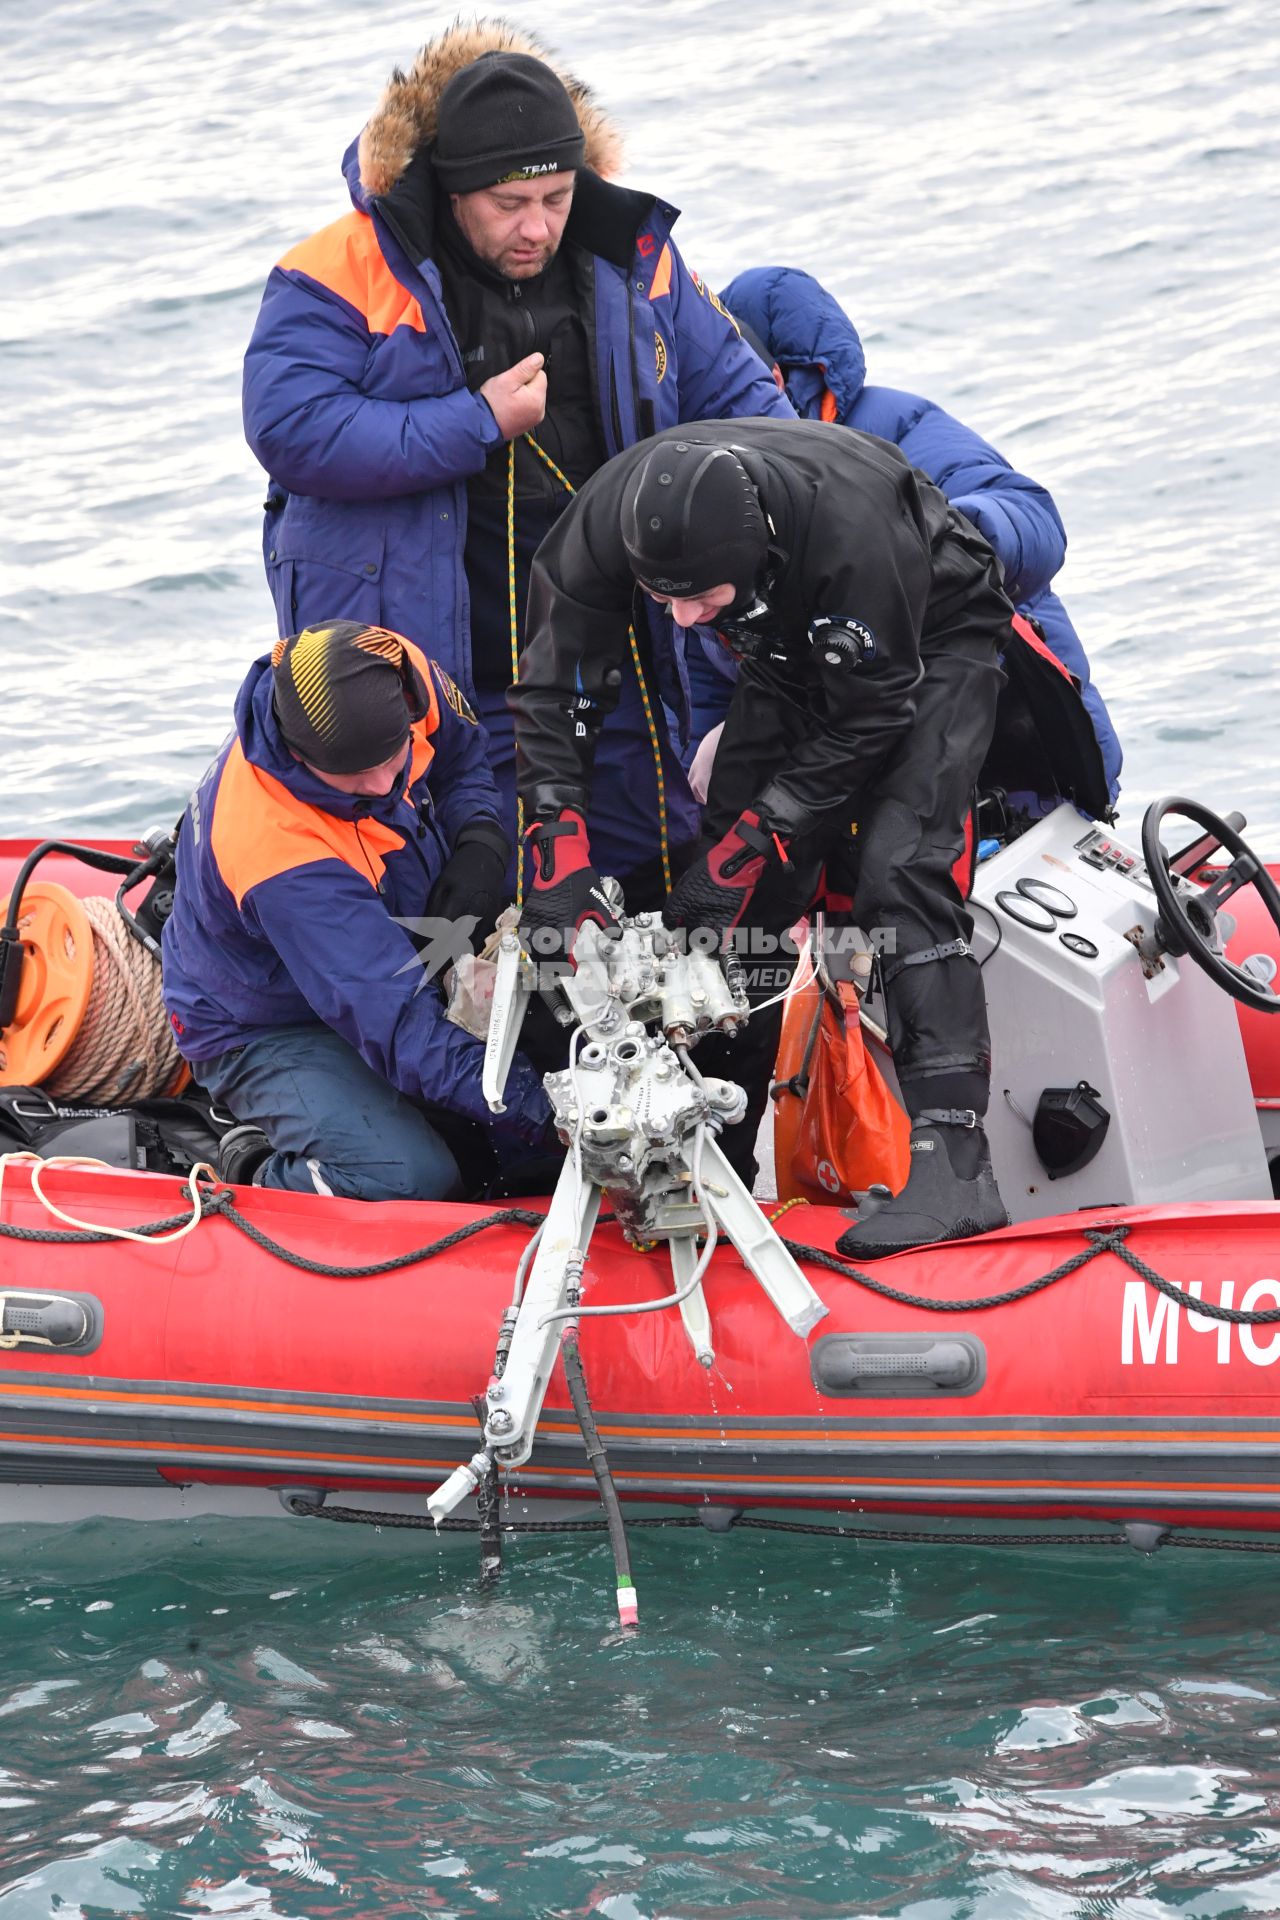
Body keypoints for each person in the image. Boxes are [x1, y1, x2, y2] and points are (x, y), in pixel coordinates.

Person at [241, 21, 793, 900]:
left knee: (647, 879)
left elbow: (748, 403)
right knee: (460, 909)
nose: (537, 226)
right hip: (434, 668)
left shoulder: (632, 257)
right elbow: (291, 428)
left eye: (556, 197)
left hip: (607, 653)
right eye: (509, 204)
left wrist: (811, 501)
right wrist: (477, 421)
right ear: (456, 190)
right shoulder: (339, 266)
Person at [508, 418, 1061, 1256]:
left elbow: (874, 716)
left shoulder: (854, 528)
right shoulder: (608, 521)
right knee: (735, 895)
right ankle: (717, 1146)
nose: (687, 621)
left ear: (756, 546)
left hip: (930, 638)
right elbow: (552, 688)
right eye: (666, 601)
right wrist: (557, 847)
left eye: (701, 598)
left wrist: (755, 841)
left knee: (898, 868)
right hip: (784, 649)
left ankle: (958, 1168)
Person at [691, 265, 1122, 823]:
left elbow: (1036, 522)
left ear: (778, 376)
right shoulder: (708, 495)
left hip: (1022, 752)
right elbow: (700, 667)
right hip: (854, 791)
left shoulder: (893, 425)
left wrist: (935, 540)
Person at [161, 621, 553, 1200]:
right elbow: (398, 1025)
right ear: (298, 755)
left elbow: (463, 757)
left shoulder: (398, 665)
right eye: (352, 777)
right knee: (408, 1177)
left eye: (394, 756)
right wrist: (549, 1113)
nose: (384, 783)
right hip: (265, 1020)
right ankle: (253, 1165)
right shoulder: (276, 849)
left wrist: (478, 838)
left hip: (391, 936)